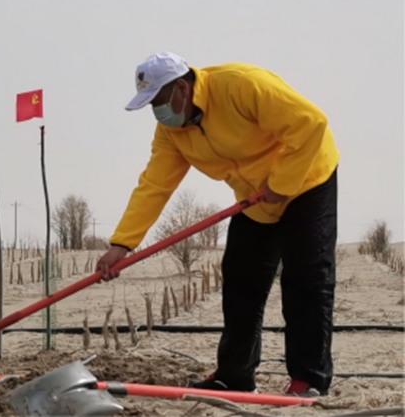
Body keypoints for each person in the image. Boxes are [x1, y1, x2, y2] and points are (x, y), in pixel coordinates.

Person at [96, 52, 339, 397]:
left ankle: (308, 380)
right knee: (241, 282)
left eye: (160, 102)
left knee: (306, 280)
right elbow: (155, 184)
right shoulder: (171, 131)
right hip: (254, 197)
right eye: (150, 106)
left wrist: (282, 184)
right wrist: (122, 243)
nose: (158, 113)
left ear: (182, 87)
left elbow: (311, 123)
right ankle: (235, 375)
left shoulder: (241, 85)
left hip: (307, 180)